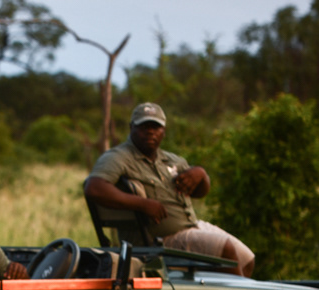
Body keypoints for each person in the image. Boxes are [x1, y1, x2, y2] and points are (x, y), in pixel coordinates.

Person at [83, 102, 255, 277]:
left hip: (191, 227)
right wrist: (142, 204)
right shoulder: (118, 157)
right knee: (225, 250)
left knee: (247, 258)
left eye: (155, 127)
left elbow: (200, 192)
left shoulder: (172, 160)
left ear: (163, 131)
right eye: (144, 126)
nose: (150, 131)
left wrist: (201, 174)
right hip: (159, 240)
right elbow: (94, 187)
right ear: (131, 127)